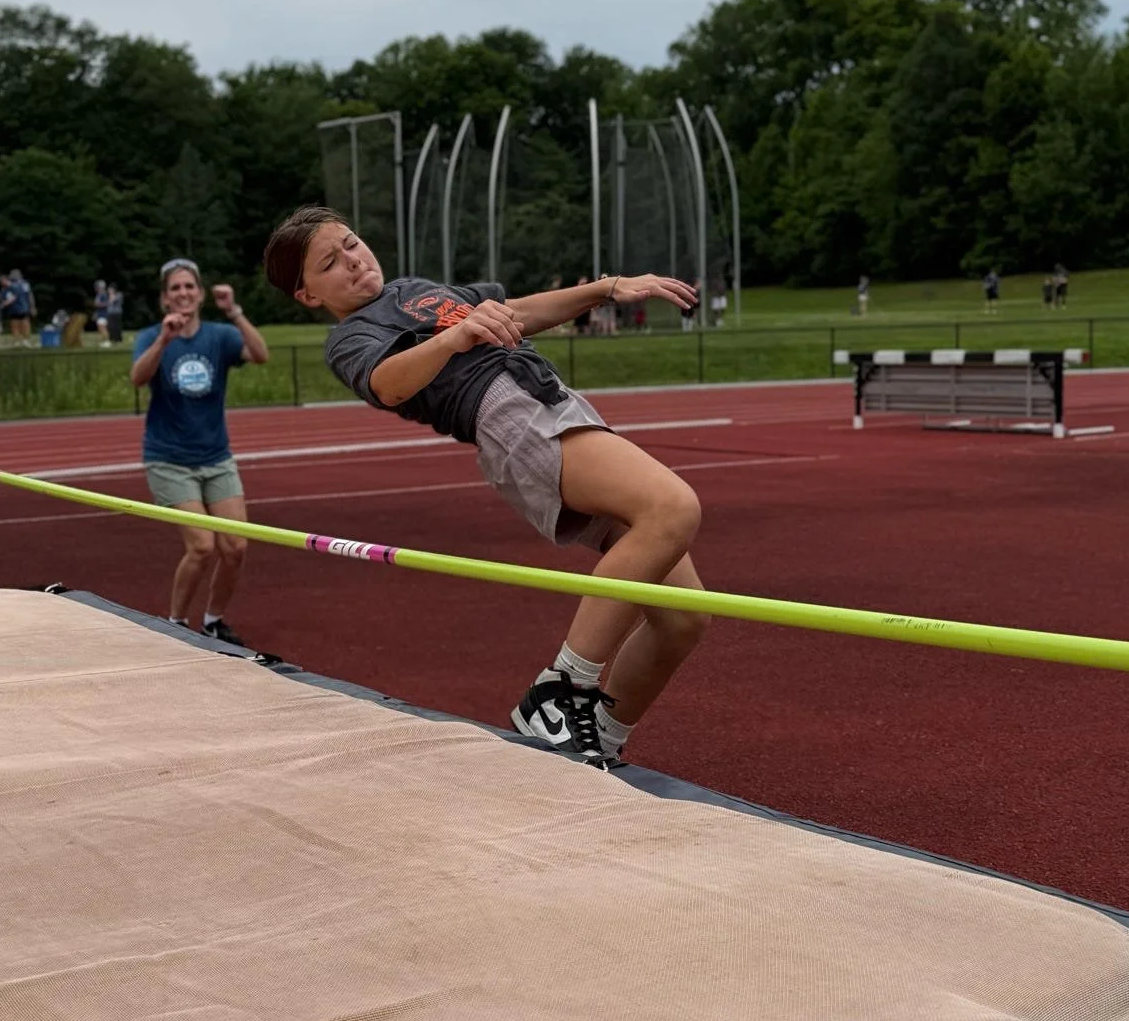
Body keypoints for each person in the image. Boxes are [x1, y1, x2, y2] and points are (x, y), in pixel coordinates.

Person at [263, 206, 707, 772]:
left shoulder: (413, 289)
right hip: (508, 416)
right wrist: (455, 337)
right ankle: (560, 690)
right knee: (671, 508)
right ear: (308, 295)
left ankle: (594, 739)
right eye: (331, 263)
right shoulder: (351, 337)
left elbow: (512, 314)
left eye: (351, 243)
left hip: (549, 397)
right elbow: (387, 384)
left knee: (682, 617)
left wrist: (607, 288)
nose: (353, 261)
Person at [130, 258, 270, 644]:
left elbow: (260, 355)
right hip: (169, 459)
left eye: (189, 286)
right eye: (175, 288)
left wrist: (235, 312)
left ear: (201, 294)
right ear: (165, 299)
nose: (183, 293)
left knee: (236, 546)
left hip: (215, 457)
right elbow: (137, 379)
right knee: (202, 545)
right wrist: (164, 340)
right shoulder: (152, 336)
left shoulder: (220, 335)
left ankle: (213, 620)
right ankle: (175, 624)